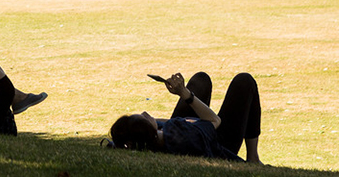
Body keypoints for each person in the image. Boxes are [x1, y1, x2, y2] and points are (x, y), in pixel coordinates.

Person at [109, 72, 262, 163]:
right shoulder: (186, 136)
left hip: (185, 131)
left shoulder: (155, 137)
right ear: (149, 130)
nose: (144, 113)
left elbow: (160, 125)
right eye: (143, 118)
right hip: (217, 143)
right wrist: (185, 94)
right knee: (244, 82)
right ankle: (253, 157)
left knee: (200, 79)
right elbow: (214, 121)